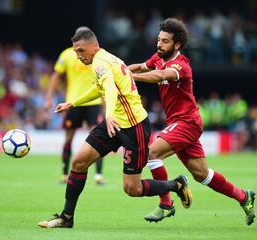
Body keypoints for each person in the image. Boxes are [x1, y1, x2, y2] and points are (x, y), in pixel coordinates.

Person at [38, 26, 192, 228]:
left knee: (132, 189)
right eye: (75, 51)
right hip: (115, 122)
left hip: (133, 126)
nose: (78, 56)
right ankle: (66, 218)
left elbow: (109, 87)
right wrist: (73, 103)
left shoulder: (100, 63)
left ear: (94, 46)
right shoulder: (104, 59)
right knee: (79, 162)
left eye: (81, 51)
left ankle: (176, 184)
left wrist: (109, 114)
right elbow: (100, 87)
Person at [128, 18, 256, 225]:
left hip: (187, 122)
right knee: (202, 175)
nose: (159, 44)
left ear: (177, 44)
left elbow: (158, 75)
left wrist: (129, 77)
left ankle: (166, 204)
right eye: (159, 39)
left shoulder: (181, 66)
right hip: (181, 123)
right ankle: (244, 196)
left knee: (152, 153)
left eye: (165, 41)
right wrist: (120, 69)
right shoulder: (158, 57)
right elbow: (142, 67)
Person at [45, 43, 104, 185]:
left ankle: (98, 176)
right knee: (68, 139)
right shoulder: (66, 55)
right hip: (72, 102)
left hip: (93, 102)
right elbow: (56, 76)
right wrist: (48, 97)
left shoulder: (96, 54)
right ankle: (65, 174)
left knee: (98, 139)